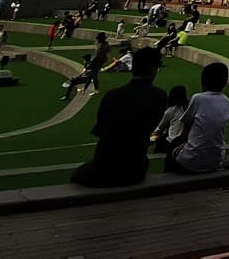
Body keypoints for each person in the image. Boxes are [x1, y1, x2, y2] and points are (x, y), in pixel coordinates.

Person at [70, 46, 168, 187]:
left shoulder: (111, 96)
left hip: (104, 166)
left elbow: (100, 131)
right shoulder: (159, 96)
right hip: (133, 168)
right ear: (154, 69)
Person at [167, 61, 229, 174]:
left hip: (192, 161)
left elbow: (186, 126)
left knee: (173, 145)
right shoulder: (227, 102)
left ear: (203, 82)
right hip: (215, 161)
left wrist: (181, 144)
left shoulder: (198, 98)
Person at [64, 32, 112, 99]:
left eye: (97, 39)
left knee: (94, 75)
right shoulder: (105, 44)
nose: (96, 40)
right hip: (101, 61)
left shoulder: (100, 47)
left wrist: (90, 65)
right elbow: (105, 53)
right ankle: (86, 89)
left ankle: (96, 90)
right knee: (93, 75)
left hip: (97, 62)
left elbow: (97, 57)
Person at [152, 83, 190, 154]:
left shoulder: (172, 110)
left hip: (173, 143)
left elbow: (159, 129)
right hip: (187, 142)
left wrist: (151, 137)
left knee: (159, 141)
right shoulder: (191, 108)